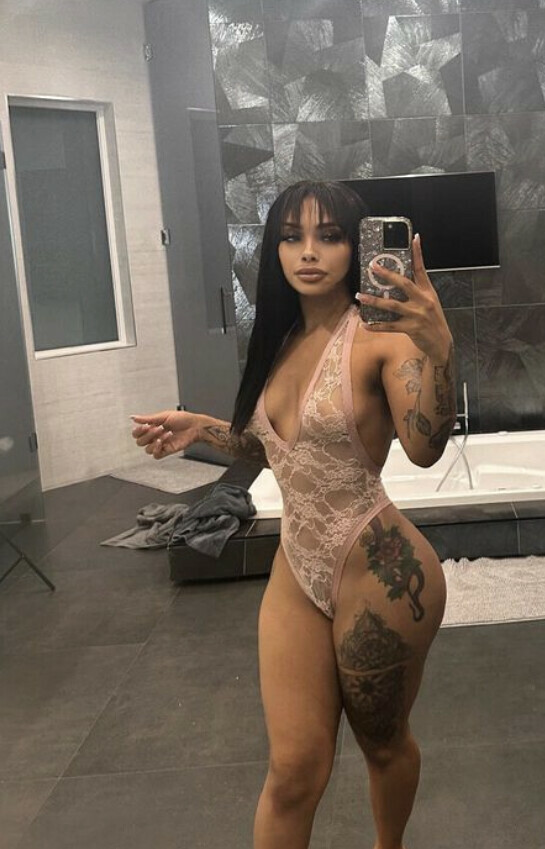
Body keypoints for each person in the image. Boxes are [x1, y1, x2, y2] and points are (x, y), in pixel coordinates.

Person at [130, 179, 456, 849]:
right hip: (296, 570)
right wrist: (203, 427)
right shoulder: (277, 340)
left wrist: (438, 349)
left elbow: (426, 450)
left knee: (383, 746)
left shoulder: (382, 339)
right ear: (274, 250)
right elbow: (280, 448)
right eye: (291, 236)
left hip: (381, 575)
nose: (309, 251)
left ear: (354, 246)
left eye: (329, 236)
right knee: (291, 772)